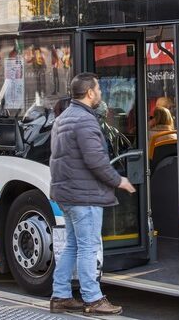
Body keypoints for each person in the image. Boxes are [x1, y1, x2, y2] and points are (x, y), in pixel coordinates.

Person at [49, 73, 136, 315]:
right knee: (88, 247)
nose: (100, 93)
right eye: (98, 89)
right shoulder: (86, 121)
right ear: (89, 93)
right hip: (83, 195)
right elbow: (96, 162)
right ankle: (93, 298)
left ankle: (61, 295)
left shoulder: (63, 118)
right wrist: (120, 181)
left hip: (66, 193)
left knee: (73, 246)